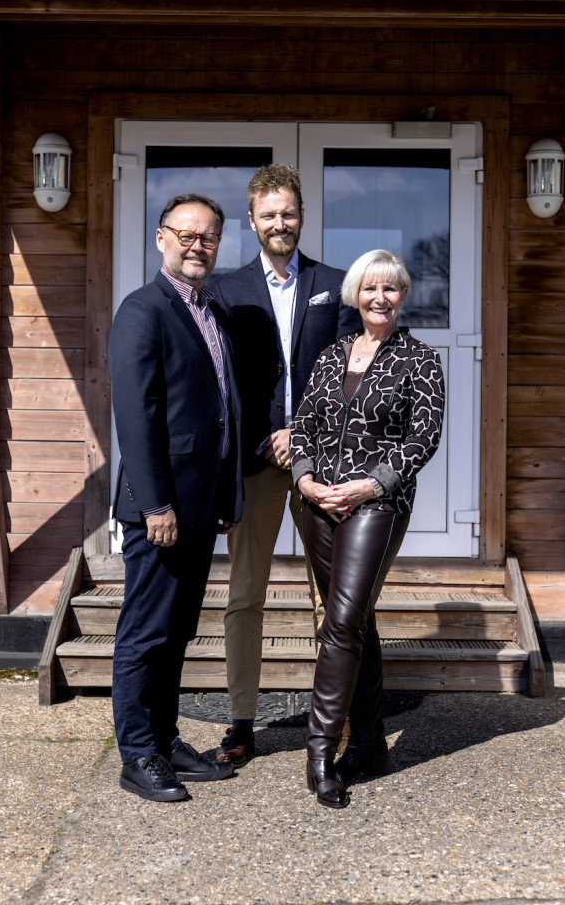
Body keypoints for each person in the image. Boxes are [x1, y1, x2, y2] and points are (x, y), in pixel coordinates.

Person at [210, 164, 361, 767]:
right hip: (256, 463)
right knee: (244, 595)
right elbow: (221, 382)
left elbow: (352, 373)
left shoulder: (337, 283)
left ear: (302, 216)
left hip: (321, 460)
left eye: (289, 213)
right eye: (268, 214)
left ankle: (336, 719)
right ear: (252, 221)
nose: (280, 223)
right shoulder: (226, 290)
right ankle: (241, 722)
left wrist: (304, 432)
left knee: (331, 597)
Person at [289, 249, 445, 809]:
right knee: (358, 624)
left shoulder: (421, 361)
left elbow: (421, 439)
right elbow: (303, 424)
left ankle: (319, 751)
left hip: (377, 504)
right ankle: (373, 746)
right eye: (370, 289)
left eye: (392, 289)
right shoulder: (332, 356)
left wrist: (367, 486)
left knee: (340, 620)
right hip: (319, 504)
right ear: (356, 295)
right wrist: (306, 480)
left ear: (403, 296)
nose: (380, 299)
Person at [109, 193, 242, 802]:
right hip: (160, 510)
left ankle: (163, 740)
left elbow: (216, 410)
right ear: (161, 238)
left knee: (177, 630)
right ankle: (137, 754)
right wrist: (154, 505)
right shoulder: (144, 309)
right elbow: (136, 418)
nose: (197, 245)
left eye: (208, 237)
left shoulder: (209, 309)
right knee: (145, 632)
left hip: (198, 505)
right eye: (185, 235)